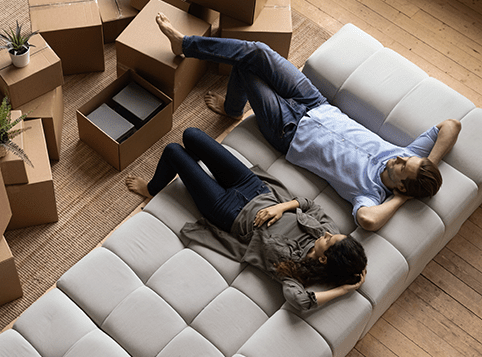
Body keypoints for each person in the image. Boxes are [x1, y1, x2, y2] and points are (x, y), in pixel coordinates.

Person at [154, 12, 462, 231]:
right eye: (406, 158)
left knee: (245, 69)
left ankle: (234, 109)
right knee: (258, 52)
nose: (398, 158)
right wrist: (427, 161)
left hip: (287, 131)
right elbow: (451, 125)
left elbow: (368, 221)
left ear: (400, 188)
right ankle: (185, 46)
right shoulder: (408, 156)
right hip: (316, 104)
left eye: (400, 168)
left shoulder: (369, 195)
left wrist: (399, 201)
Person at [126, 127, 367, 313]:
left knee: (173, 151)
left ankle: (153, 189)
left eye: (329, 240)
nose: (327, 233)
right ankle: (193, 172)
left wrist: (344, 290)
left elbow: (299, 300)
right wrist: (281, 207)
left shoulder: (295, 273)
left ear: (324, 258)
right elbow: (309, 204)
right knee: (192, 136)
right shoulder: (328, 230)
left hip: (228, 211)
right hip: (255, 188)